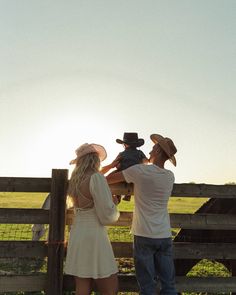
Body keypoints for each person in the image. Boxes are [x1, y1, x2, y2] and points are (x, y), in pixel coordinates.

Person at [106, 134, 177, 295]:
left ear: (158, 151)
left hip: (144, 234)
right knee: (169, 285)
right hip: (164, 235)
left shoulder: (139, 171)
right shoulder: (169, 176)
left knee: (147, 287)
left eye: (154, 147)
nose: (151, 149)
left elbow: (108, 180)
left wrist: (112, 165)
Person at [65, 143, 120, 295]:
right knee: (110, 287)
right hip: (95, 235)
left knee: (82, 284)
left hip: (77, 233)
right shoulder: (96, 178)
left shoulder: (75, 181)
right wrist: (114, 204)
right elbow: (107, 216)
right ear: (94, 160)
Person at [101, 132, 148, 201]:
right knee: (136, 180)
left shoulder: (122, 154)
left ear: (125, 144)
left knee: (110, 178)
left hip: (122, 173)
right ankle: (127, 195)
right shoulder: (140, 153)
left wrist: (118, 166)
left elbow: (116, 163)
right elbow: (145, 162)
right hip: (135, 174)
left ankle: (117, 195)